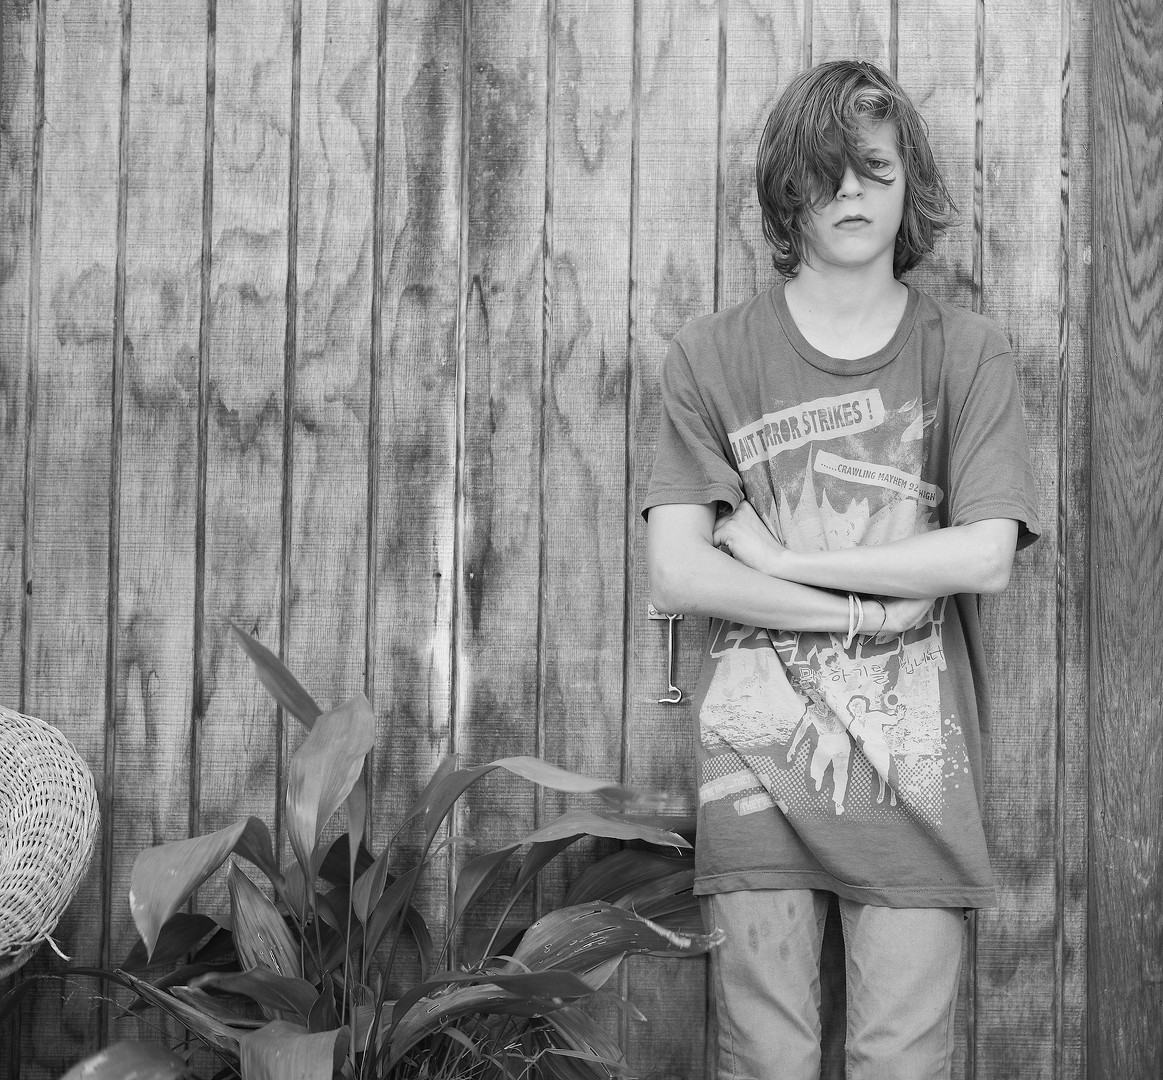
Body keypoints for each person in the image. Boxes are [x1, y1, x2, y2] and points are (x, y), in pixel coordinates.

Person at [643, 60, 1040, 1080]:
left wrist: (785, 559)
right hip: (754, 778)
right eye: (825, 173)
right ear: (787, 190)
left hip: (915, 789)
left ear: (909, 185)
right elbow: (678, 572)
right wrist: (865, 612)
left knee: (901, 1064)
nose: (851, 193)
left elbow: (984, 555)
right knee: (762, 1063)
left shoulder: (965, 354)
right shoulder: (709, 356)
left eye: (874, 169)